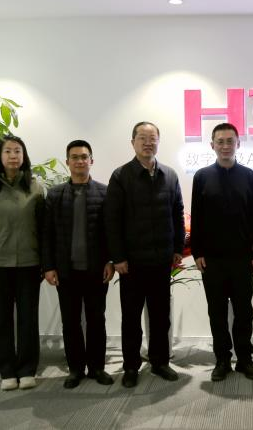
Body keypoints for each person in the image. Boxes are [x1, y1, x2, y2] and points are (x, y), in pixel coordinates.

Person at [105, 122, 184, 388]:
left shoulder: (169, 175)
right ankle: (131, 366)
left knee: (161, 316)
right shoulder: (121, 176)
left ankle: (160, 362)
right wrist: (118, 257)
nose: (148, 143)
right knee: (131, 318)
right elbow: (112, 220)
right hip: (132, 263)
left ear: (158, 142)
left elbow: (177, 212)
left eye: (152, 138)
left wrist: (177, 249)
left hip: (162, 260)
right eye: (142, 138)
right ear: (133, 143)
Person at [0, 135, 45, 391]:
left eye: (18, 151)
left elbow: (43, 228)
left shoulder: (35, 187)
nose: (14, 156)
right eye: (8, 151)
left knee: (28, 319)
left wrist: (46, 263)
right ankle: (7, 371)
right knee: (1, 320)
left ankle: (27, 370)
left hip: (29, 263)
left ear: (24, 156)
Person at [191, 122, 253, 381]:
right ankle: (222, 360)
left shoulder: (249, 176)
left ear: (238, 144)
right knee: (217, 313)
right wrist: (197, 252)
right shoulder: (201, 176)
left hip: (242, 258)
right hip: (212, 260)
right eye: (220, 141)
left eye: (230, 141)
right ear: (212, 145)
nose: (225, 146)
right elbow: (197, 217)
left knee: (244, 312)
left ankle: (245, 359)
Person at [42, 140, 115, 389]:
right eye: (74, 157)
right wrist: (48, 267)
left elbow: (111, 232)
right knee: (71, 322)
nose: (80, 161)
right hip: (66, 271)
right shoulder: (55, 195)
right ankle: (75, 369)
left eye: (84, 157)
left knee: (96, 320)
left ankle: (97, 367)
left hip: (96, 270)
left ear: (91, 161)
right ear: (67, 162)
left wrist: (110, 260)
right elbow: (47, 234)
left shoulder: (105, 193)